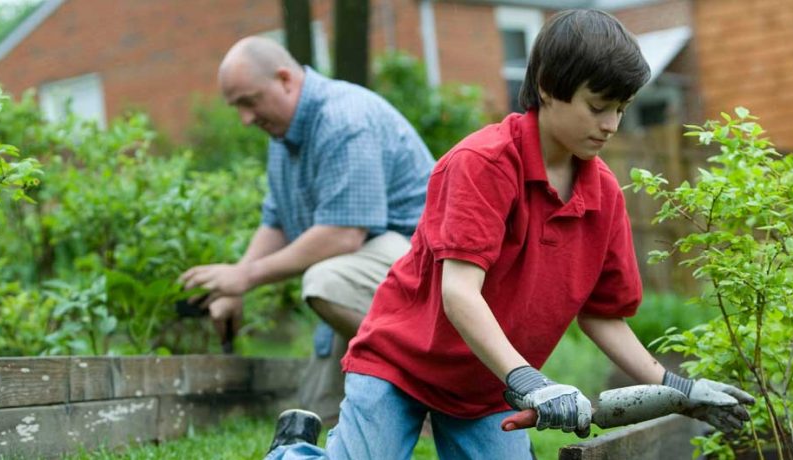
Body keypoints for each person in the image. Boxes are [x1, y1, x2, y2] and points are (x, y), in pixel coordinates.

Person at [264, 9, 755, 459]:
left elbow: (602, 317)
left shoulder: (603, 194)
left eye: (621, 109)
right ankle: (292, 450)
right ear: (547, 86)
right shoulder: (483, 164)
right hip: (402, 365)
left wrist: (679, 390)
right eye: (598, 106)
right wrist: (530, 381)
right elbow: (459, 293)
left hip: (486, 387)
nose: (611, 125)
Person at [179, 36, 436, 424]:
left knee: (326, 281)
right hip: (370, 275)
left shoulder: (343, 118)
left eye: (249, 102)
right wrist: (231, 286)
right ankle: (391, 398)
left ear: (285, 79)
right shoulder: (284, 136)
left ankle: (435, 386)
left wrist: (246, 276)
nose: (245, 119)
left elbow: (343, 234)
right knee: (314, 415)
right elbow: (277, 221)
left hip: (428, 274)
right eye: (237, 108)